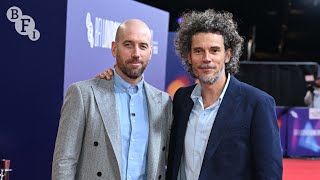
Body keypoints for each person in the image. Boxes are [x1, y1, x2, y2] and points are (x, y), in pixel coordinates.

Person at [165, 9, 283, 180]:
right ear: (189, 56)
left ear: (227, 55)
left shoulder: (257, 103)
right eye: (198, 51)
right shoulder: (181, 99)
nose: (207, 58)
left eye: (214, 50)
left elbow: (269, 173)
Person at [52, 19, 173, 180]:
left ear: (150, 52)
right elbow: (64, 162)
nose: (136, 53)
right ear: (114, 48)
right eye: (128, 45)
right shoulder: (83, 94)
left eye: (143, 46)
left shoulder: (163, 102)